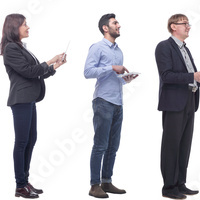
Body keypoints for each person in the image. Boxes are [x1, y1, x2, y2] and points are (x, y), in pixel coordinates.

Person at [0, 13, 66, 199]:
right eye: (25, 25)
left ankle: (24, 181)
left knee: (30, 139)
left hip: (29, 99)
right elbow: (29, 72)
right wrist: (50, 60)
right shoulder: (11, 48)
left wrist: (55, 67)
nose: (28, 27)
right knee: (21, 142)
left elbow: (36, 73)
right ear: (15, 27)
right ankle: (20, 185)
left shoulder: (21, 48)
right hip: (20, 100)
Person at [155, 13, 200, 200]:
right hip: (174, 103)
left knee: (184, 145)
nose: (188, 26)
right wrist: (193, 76)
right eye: (184, 24)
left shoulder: (185, 49)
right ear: (173, 26)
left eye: (188, 24)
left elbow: (190, 76)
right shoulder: (164, 47)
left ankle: (180, 184)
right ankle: (168, 187)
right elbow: (166, 75)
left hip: (190, 101)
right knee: (171, 146)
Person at [83, 13, 134, 199]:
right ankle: (94, 185)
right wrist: (111, 68)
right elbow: (87, 72)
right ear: (106, 28)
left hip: (118, 101)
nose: (118, 25)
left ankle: (106, 181)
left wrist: (125, 79)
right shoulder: (97, 47)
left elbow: (116, 78)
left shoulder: (119, 51)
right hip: (103, 101)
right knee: (100, 145)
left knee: (113, 146)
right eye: (115, 23)